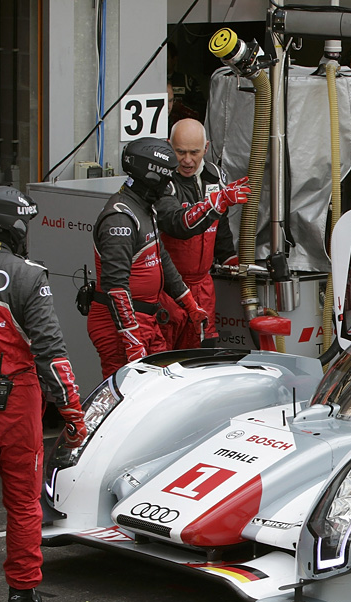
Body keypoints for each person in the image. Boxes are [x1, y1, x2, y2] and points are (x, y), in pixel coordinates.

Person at [0, 186, 87, 602]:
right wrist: (73, 414)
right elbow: (52, 354)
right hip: (16, 403)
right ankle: (22, 591)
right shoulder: (28, 276)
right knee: (23, 501)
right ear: (15, 228)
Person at [87, 138, 208, 377]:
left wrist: (191, 305)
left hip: (147, 319)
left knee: (158, 386)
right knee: (127, 395)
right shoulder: (120, 218)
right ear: (152, 177)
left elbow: (161, 257)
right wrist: (130, 337)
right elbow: (115, 286)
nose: (169, 184)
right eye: (167, 178)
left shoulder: (143, 207)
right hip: (120, 324)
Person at [155, 120, 248, 350]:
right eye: (180, 152)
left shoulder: (214, 175)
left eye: (194, 152)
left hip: (203, 285)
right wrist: (214, 206)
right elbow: (176, 224)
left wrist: (228, 258)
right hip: (170, 288)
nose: (187, 160)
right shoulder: (162, 181)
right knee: (168, 356)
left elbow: (221, 222)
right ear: (169, 147)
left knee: (204, 354)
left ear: (206, 148)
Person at [166, 42, 205, 121]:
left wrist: (181, 107)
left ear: (174, 59)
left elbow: (201, 110)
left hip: (182, 126)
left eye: (166, 58)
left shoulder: (187, 81)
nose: (162, 61)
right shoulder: (152, 83)